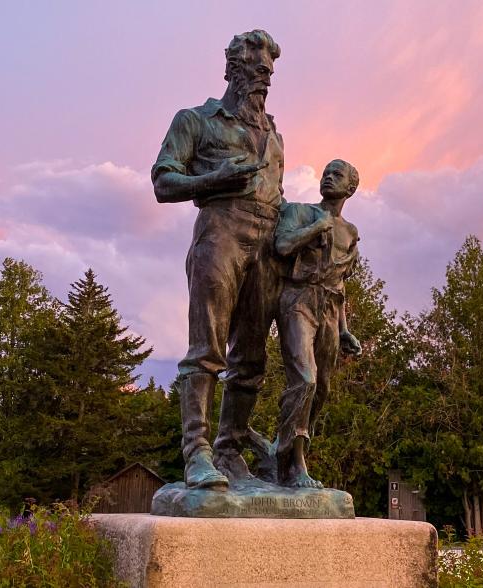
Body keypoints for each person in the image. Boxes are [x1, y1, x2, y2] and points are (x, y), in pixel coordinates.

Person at [151, 30, 284, 489]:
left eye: (269, 72)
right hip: (220, 234)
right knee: (207, 349)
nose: (265, 78)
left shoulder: (274, 136)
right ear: (234, 68)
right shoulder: (196, 120)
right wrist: (213, 179)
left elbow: (278, 198)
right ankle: (197, 454)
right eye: (257, 69)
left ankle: (229, 450)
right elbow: (163, 182)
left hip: (267, 247)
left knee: (251, 359)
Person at [273, 159, 362, 488]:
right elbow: (281, 245)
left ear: (350, 188)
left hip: (328, 309)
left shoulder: (351, 233)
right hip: (298, 300)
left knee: (321, 389)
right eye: (326, 172)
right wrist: (315, 229)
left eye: (336, 174)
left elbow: (340, 283)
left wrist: (343, 328)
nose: (327, 177)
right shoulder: (301, 213)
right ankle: (295, 463)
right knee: (305, 380)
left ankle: (283, 450)